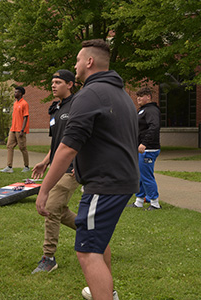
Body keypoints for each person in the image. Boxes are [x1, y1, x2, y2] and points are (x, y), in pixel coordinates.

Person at [35, 39, 139, 300]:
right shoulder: (121, 94)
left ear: (89, 62)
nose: (75, 65)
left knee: (87, 250)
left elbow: (68, 148)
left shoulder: (89, 95)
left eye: (78, 60)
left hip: (105, 183)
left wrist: (44, 189)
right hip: (122, 180)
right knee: (98, 242)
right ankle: (105, 291)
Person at [31, 70, 79, 274]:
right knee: (59, 210)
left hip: (73, 168)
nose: (53, 85)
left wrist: (81, 161)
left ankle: (48, 258)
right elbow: (58, 142)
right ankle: (93, 231)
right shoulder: (56, 109)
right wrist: (44, 162)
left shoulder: (78, 105)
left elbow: (82, 137)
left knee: (50, 208)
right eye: (52, 82)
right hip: (57, 166)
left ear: (70, 84)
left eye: (58, 82)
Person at [127, 86, 161, 210]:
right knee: (140, 175)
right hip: (141, 149)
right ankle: (139, 201)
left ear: (149, 97)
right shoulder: (143, 110)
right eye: (138, 96)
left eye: (141, 96)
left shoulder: (151, 110)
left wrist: (144, 143)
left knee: (146, 176)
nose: (138, 99)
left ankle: (155, 203)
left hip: (148, 149)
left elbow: (154, 127)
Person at [1, 86, 30, 173]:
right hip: (13, 128)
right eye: (15, 92)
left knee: (22, 148)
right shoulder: (15, 103)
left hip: (20, 129)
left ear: (21, 93)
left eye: (16, 92)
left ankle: (26, 166)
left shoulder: (24, 103)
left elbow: (26, 117)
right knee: (9, 146)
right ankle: (9, 167)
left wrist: (22, 130)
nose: (15, 93)